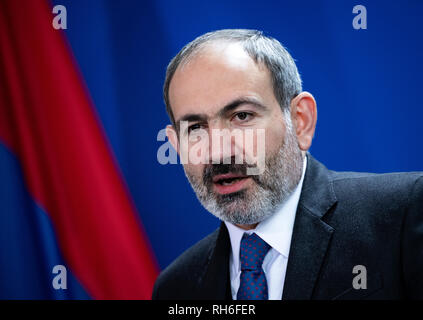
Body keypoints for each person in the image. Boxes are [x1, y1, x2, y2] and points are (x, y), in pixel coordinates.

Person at [152, 29, 423, 300]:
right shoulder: (176, 288)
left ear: (300, 120)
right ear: (177, 145)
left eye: (242, 116)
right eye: (196, 128)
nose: (219, 151)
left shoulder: (403, 214)